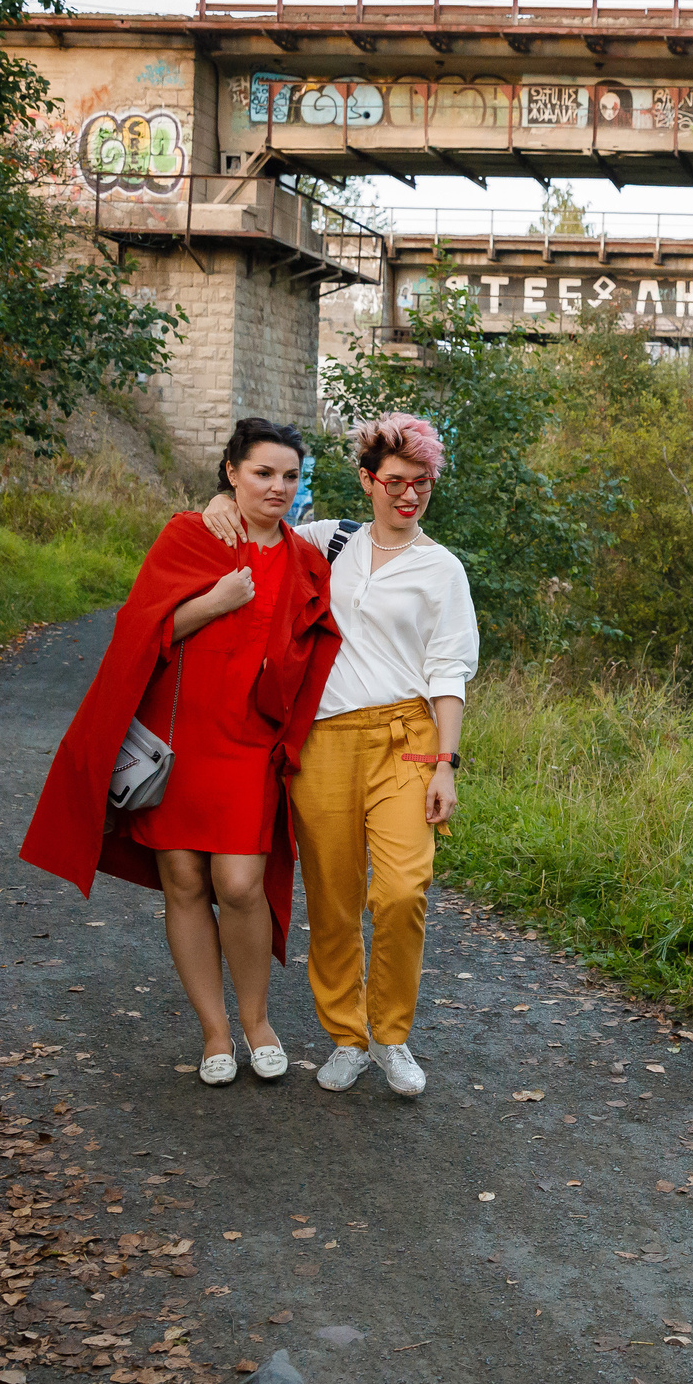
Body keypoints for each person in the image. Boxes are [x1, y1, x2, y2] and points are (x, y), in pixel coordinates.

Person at [21, 418, 342, 1086]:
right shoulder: (191, 534)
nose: (277, 486)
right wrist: (214, 602)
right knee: (187, 882)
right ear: (231, 471)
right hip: (179, 742)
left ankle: (257, 1019)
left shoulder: (307, 556)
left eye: (290, 476)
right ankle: (216, 1031)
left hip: (249, 746)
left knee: (239, 883)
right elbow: (140, 629)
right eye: (262, 473)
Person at [201, 412, 476, 1100]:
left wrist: (446, 761)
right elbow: (259, 527)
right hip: (324, 739)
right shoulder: (328, 542)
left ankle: (390, 1033)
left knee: (403, 888)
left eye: (422, 483)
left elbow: (448, 673)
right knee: (332, 895)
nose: (409, 495)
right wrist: (217, 501)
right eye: (395, 481)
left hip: (407, 740)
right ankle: (347, 1036)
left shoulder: (442, 569)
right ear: (367, 480)